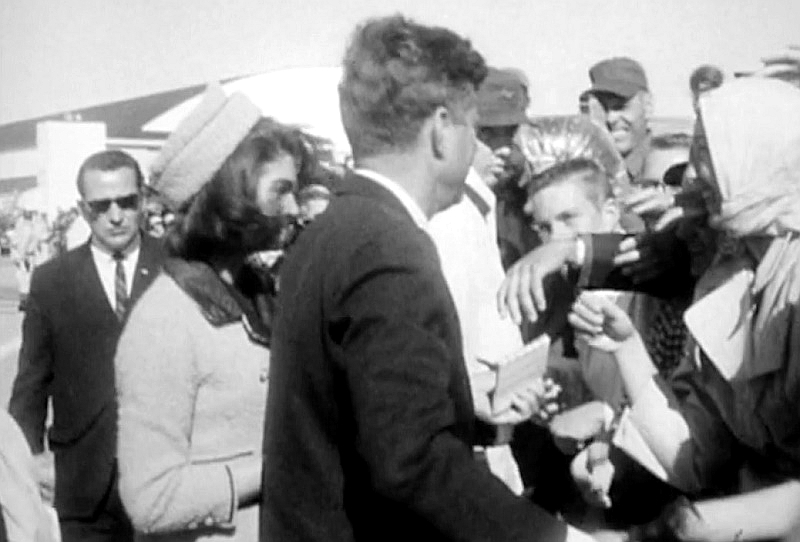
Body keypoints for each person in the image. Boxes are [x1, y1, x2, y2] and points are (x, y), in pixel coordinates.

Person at [261, 15, 595, 542]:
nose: (474, 144)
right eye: (474, 126)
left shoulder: (331, 230)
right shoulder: (389, 249)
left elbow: (362, 418)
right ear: (441, 128)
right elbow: (410, 461)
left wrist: (471, 413)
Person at [569, 76, 800, 541]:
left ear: (761, 155)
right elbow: (696, 455)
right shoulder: (733, 276)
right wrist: (627, 348)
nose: (693, 173)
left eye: (709, 150)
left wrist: (701, 527)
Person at [115, 86, 311, 540]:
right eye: (280, 191)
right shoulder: (164, 321)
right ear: (229, 194)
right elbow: (150, 500)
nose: (295, 210)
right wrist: (278, 467)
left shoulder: (256, 292)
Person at [8, 149, 165, 542]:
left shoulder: (176, 267)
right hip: (83, 489)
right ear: (82, 209)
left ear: (143, 200)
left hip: (165, 479)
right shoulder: (52, 282)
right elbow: (31, 385)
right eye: (101, 206)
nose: (116, 216)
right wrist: (31, 465)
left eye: (127, 202)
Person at [475, 66, 539, 269]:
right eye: (487, 133)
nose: (502, 148)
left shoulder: (521, 190)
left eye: (510, 132)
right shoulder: (439, 203)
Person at [587, 57, 652, 189]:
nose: (611, 118)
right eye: (603, 108)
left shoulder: (667, 165)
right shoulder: (591, 174)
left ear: (648, 105)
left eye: (621, 106)